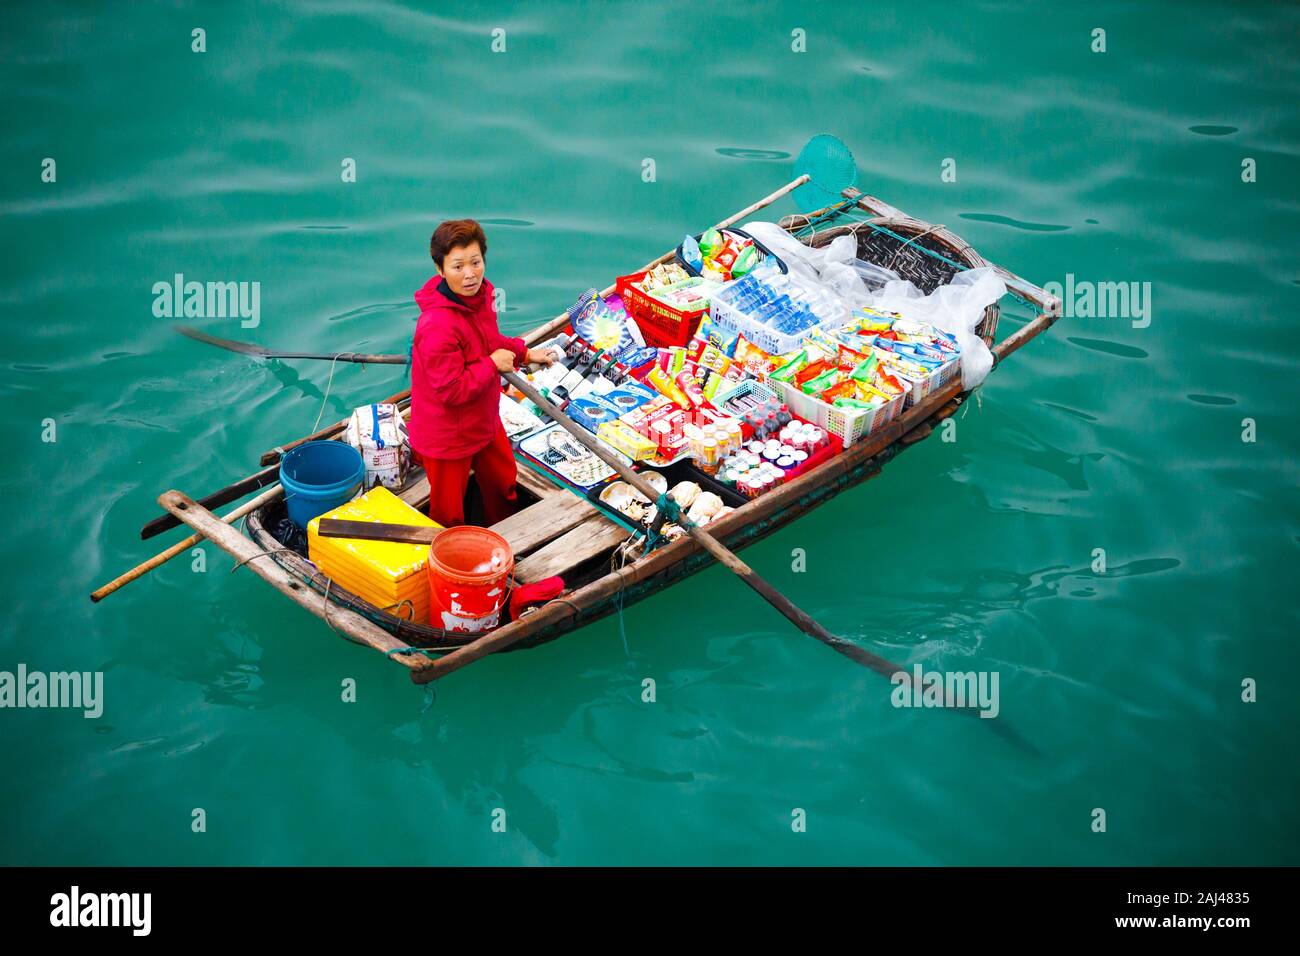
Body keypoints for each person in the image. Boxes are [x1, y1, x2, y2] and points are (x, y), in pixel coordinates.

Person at [409, 219, 555, 527]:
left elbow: (490, 341)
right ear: (440, 269)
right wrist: (491, 364)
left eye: (475, 262)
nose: (470, 274)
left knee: (504, 484)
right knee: (449, 513)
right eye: (458, 266)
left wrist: (524, 353)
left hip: (482, 418)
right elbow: (451, 390)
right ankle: (454, 562)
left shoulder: (480, 297)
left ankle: (506, 538)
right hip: (446, 436)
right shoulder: (436, 326)